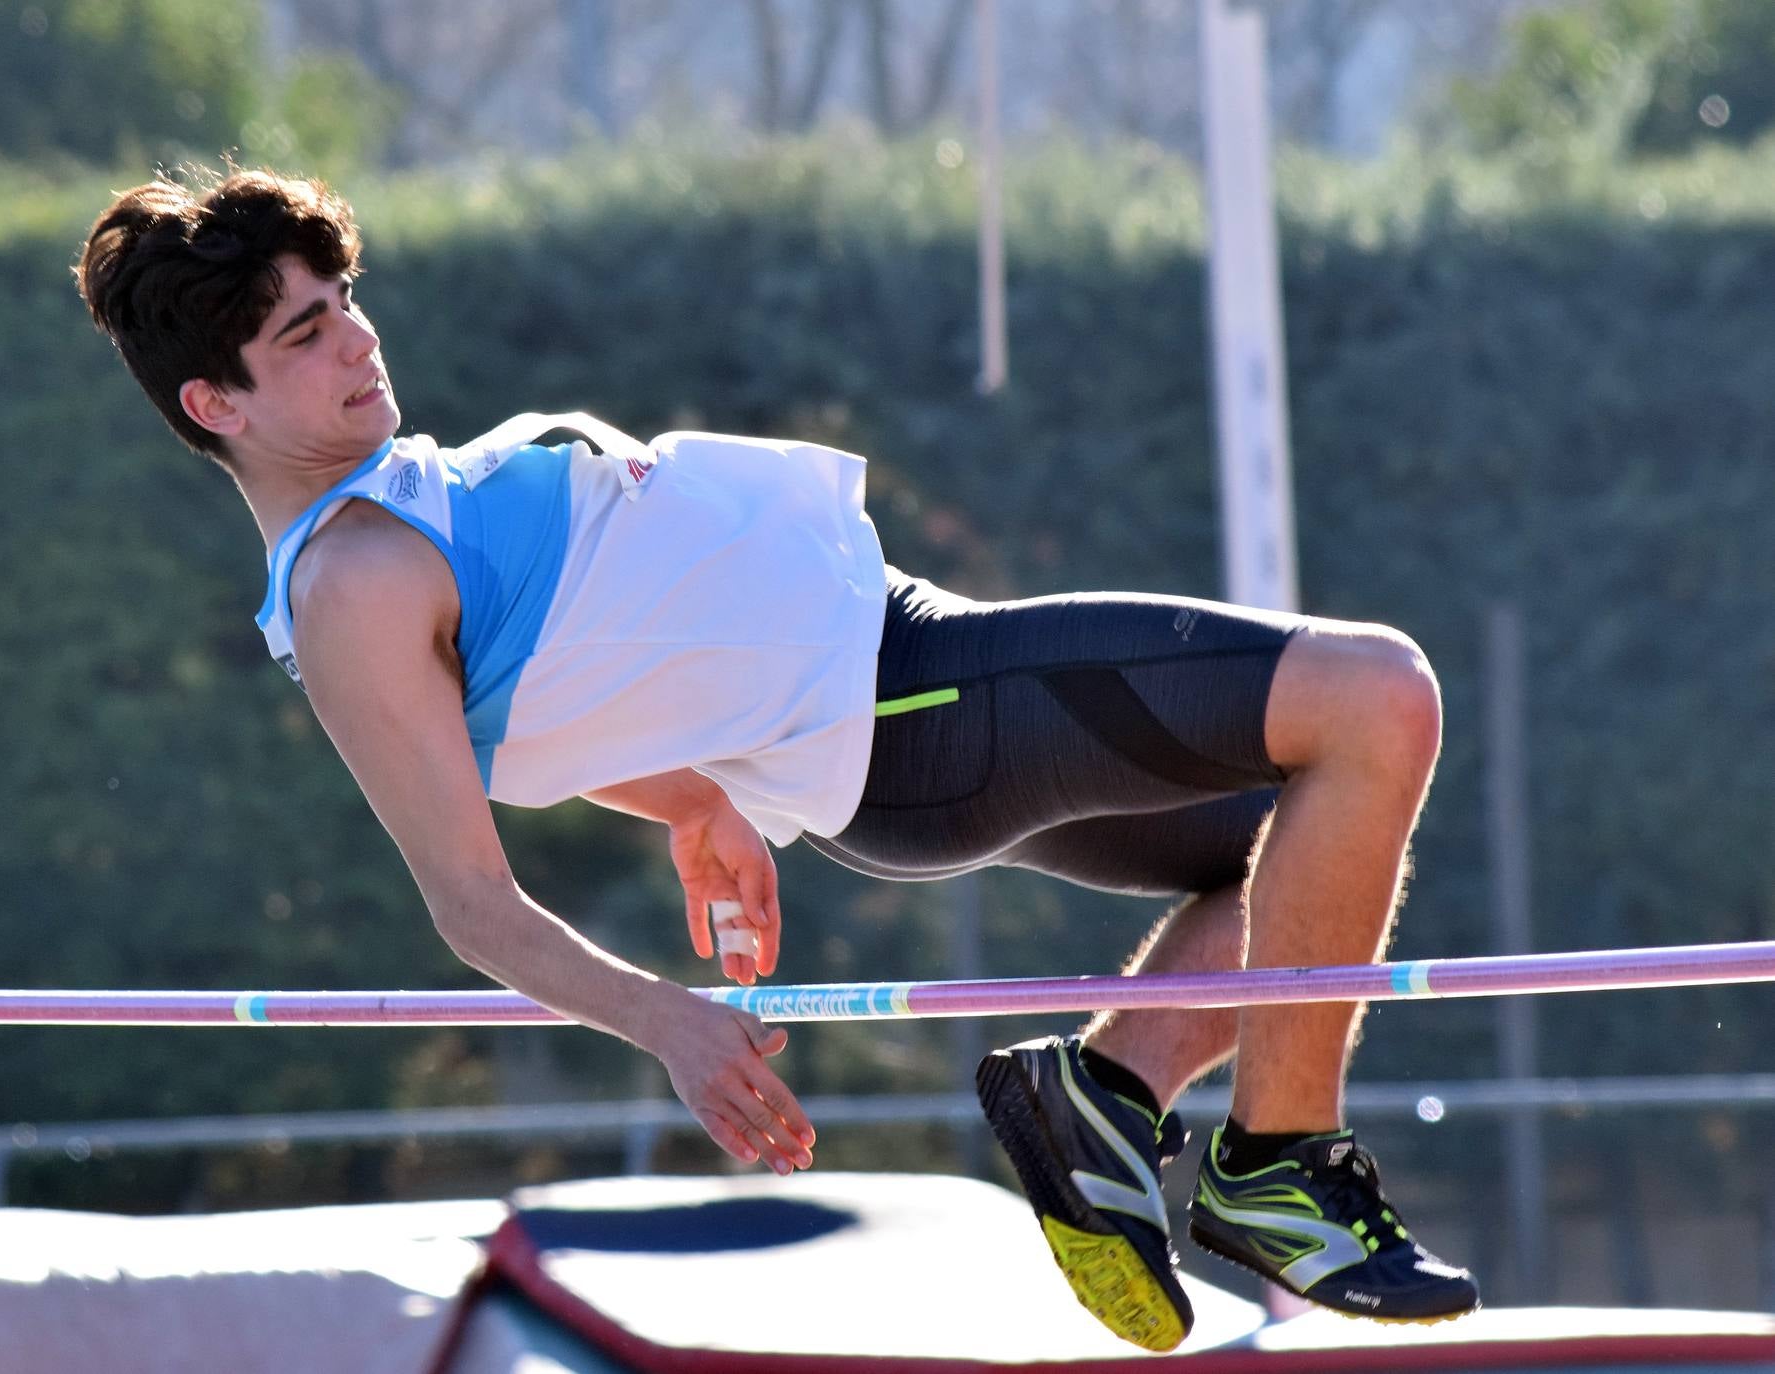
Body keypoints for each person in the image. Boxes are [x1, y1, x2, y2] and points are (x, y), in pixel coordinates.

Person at [74, 166, 1479, 1353]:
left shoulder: (385, 510)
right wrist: (669, 1021)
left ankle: (1104, 1099)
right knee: (1376, 697)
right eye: (308, 334)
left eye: (347, 302)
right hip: (907, 707)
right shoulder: (348, 589)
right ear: (219, 404)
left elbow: (556, 674)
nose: (359, 341)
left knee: (1310, 855)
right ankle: (1280, 1163)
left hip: (905, 670)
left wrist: (693, 798)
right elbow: (468, 896)